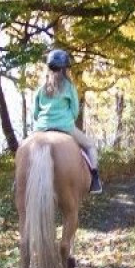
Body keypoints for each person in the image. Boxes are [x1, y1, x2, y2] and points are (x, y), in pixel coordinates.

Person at [32, 48, 102, 194]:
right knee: (90, 145)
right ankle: (95, 180)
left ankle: (19, 178)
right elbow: (75, 112)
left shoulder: (40, 89)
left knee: (24, 147)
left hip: (41, 128)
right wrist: (65, 119)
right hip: (64, 127)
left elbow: (35, 113)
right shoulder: (69, 87)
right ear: (65, 69)